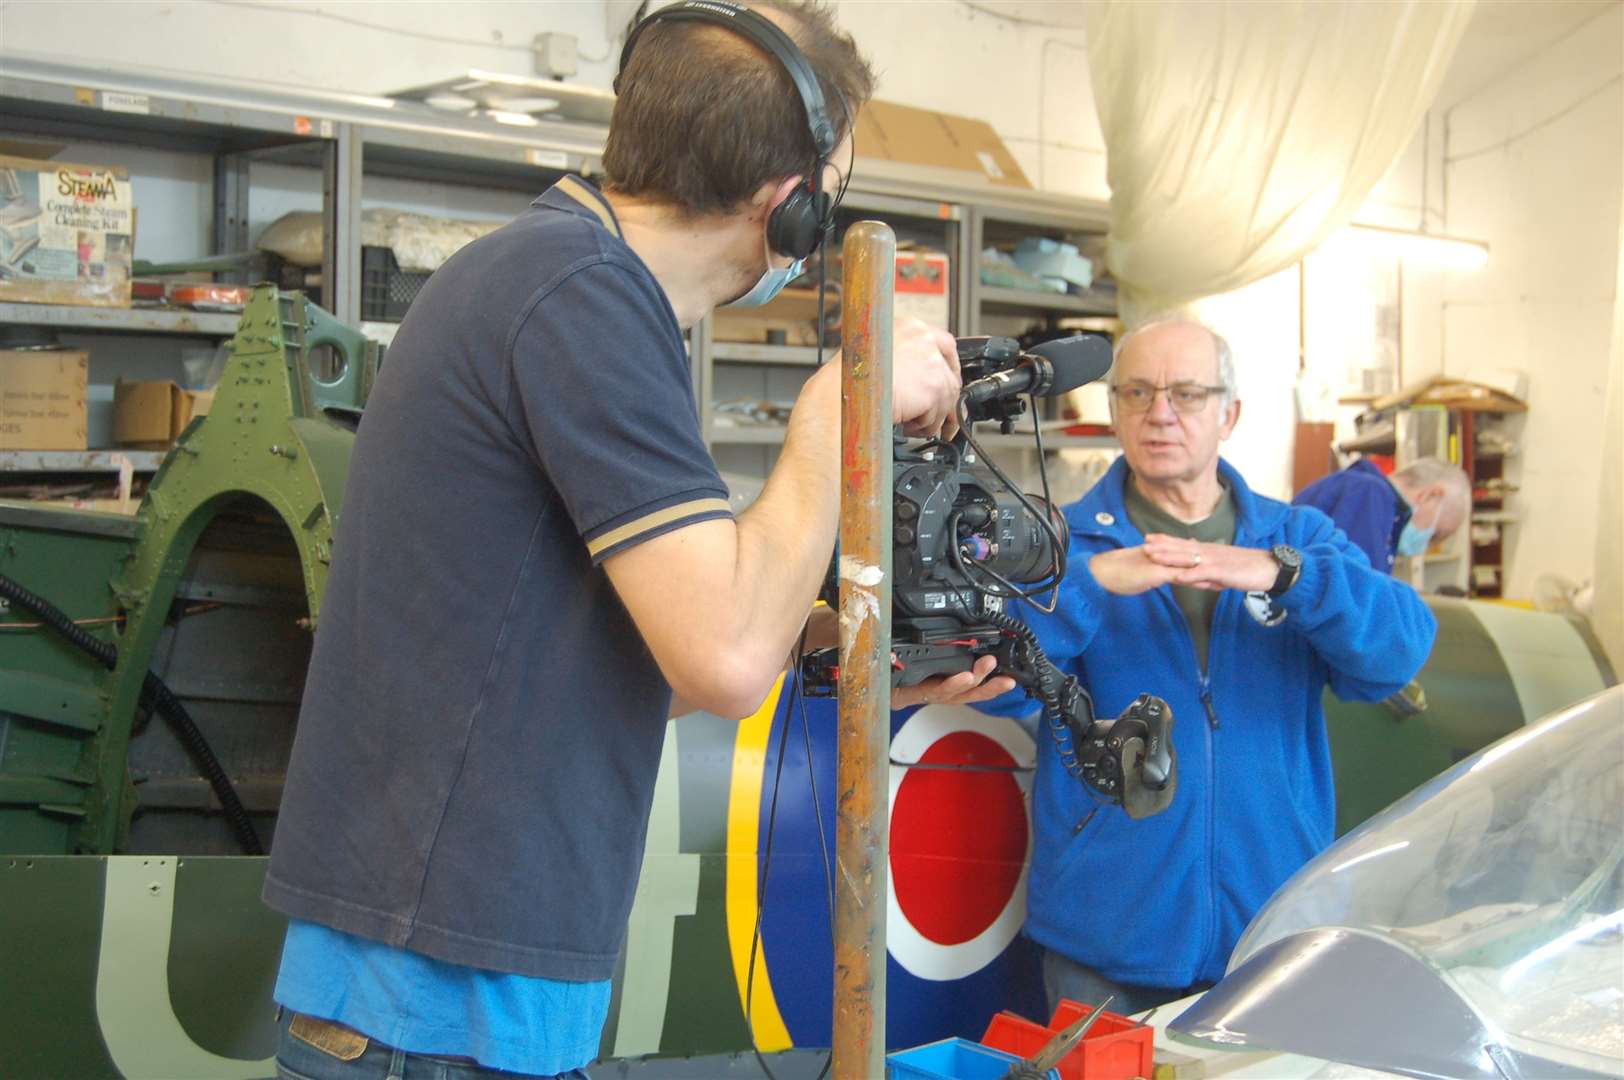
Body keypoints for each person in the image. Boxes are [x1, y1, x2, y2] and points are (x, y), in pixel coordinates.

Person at [261, 4, 1008, 1077]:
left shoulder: (561, 282)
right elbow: (720, 655)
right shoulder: (579, 297)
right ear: (792, 206)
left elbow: (580, 655)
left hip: (448, 971)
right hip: (437, 999)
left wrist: (832, 649)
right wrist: (842, 405)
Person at [976, 318, 1437, 1016]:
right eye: (1138, 392)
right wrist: (1092, 584)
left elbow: (1397, 651)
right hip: (1108, 934)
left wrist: (1287, 578)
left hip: (1272, 934)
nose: (1161, 413)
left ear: (1231, 414)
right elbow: (992, 681)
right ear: (1114, 409)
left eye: (1188, 394)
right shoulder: (1055, 542)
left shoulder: (1295, 536)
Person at [1293, 455, 1471, 573]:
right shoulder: (1369, 495)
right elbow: (1354, 592)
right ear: (1430, 495)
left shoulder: (1375, 502)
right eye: (1435, 535)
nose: (1425, 547)